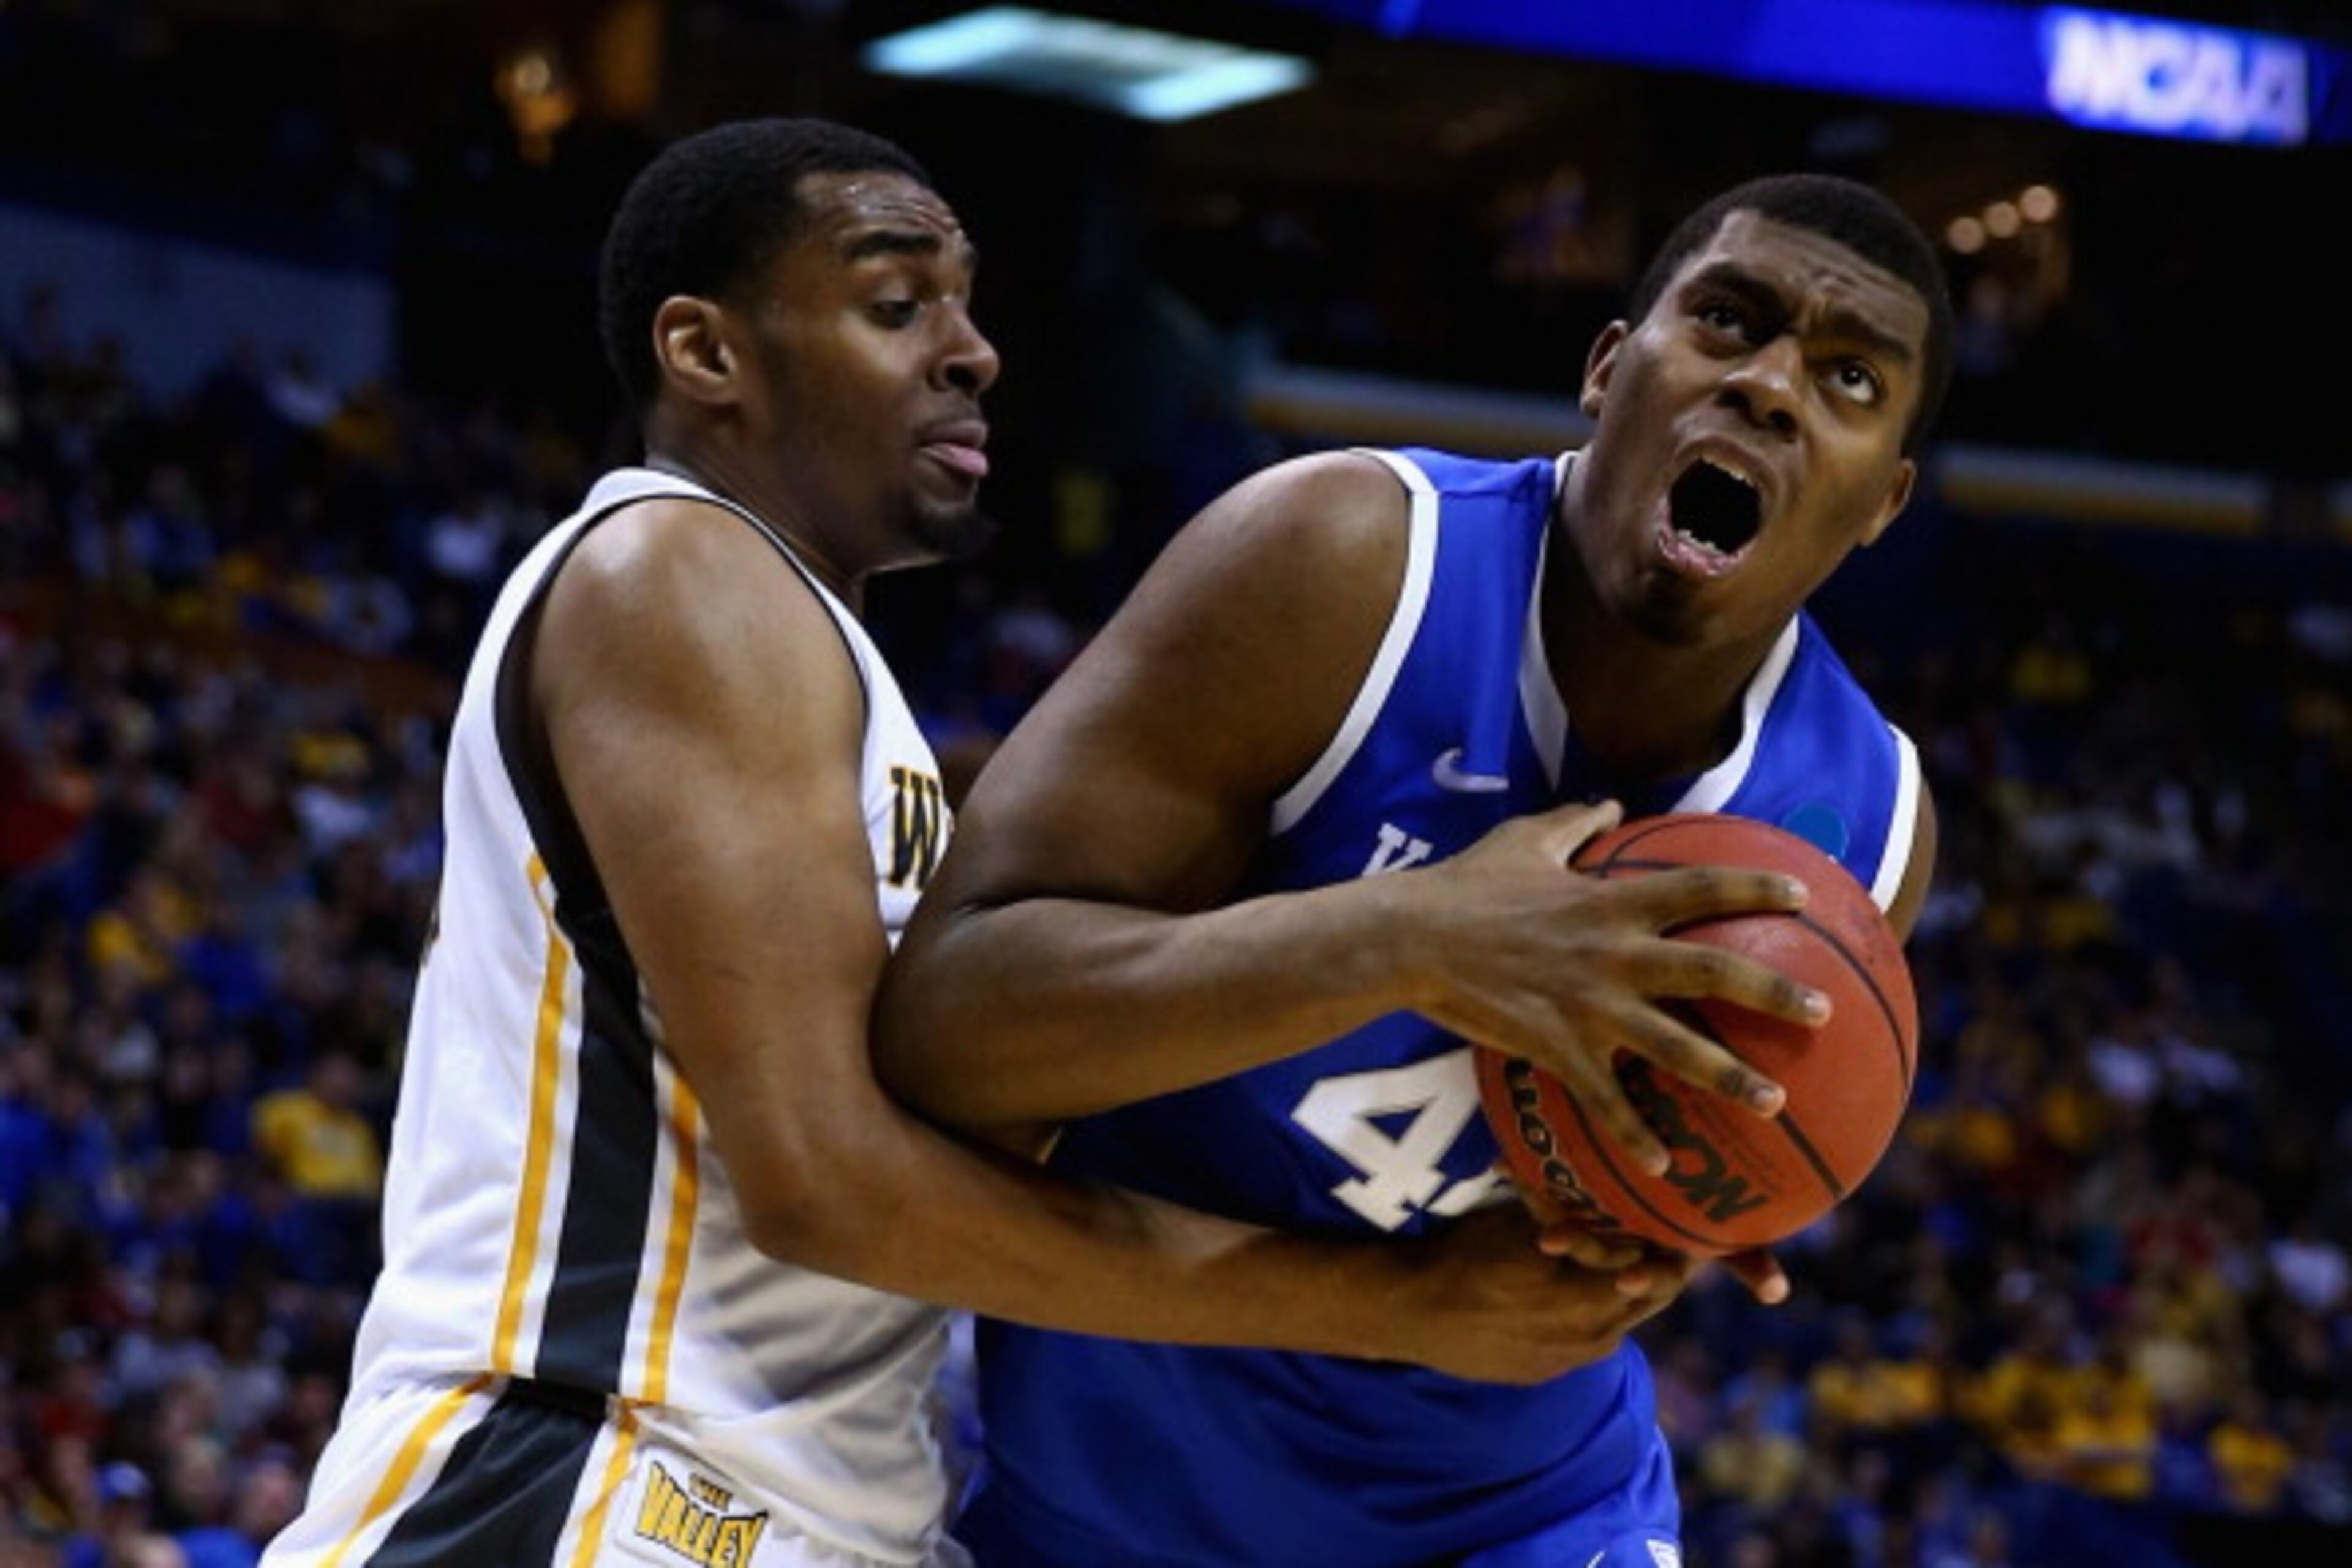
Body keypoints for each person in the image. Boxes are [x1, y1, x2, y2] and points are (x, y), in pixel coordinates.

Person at [260, 118, 1752, 1568]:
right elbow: (826, 1184)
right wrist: (1386, 1299)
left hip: (790, 1503)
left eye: (967, 306)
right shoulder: (676, 570)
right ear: (706, 353)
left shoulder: (823, 673)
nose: (971, 352)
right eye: (897, 304)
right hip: (599, 1468)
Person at [876, 171, 1955, 1566]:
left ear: (1886, 503)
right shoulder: (1343, 566)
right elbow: (943, 1027)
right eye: (1729, 323)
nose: (1766, 386)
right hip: (1111, 1493)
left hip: (1533, 1510)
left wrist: (1680, 1207)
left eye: (1849, 379)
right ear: (1610, 371)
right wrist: (1412, 938)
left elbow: (1633, 1205)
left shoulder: (1870, 821)